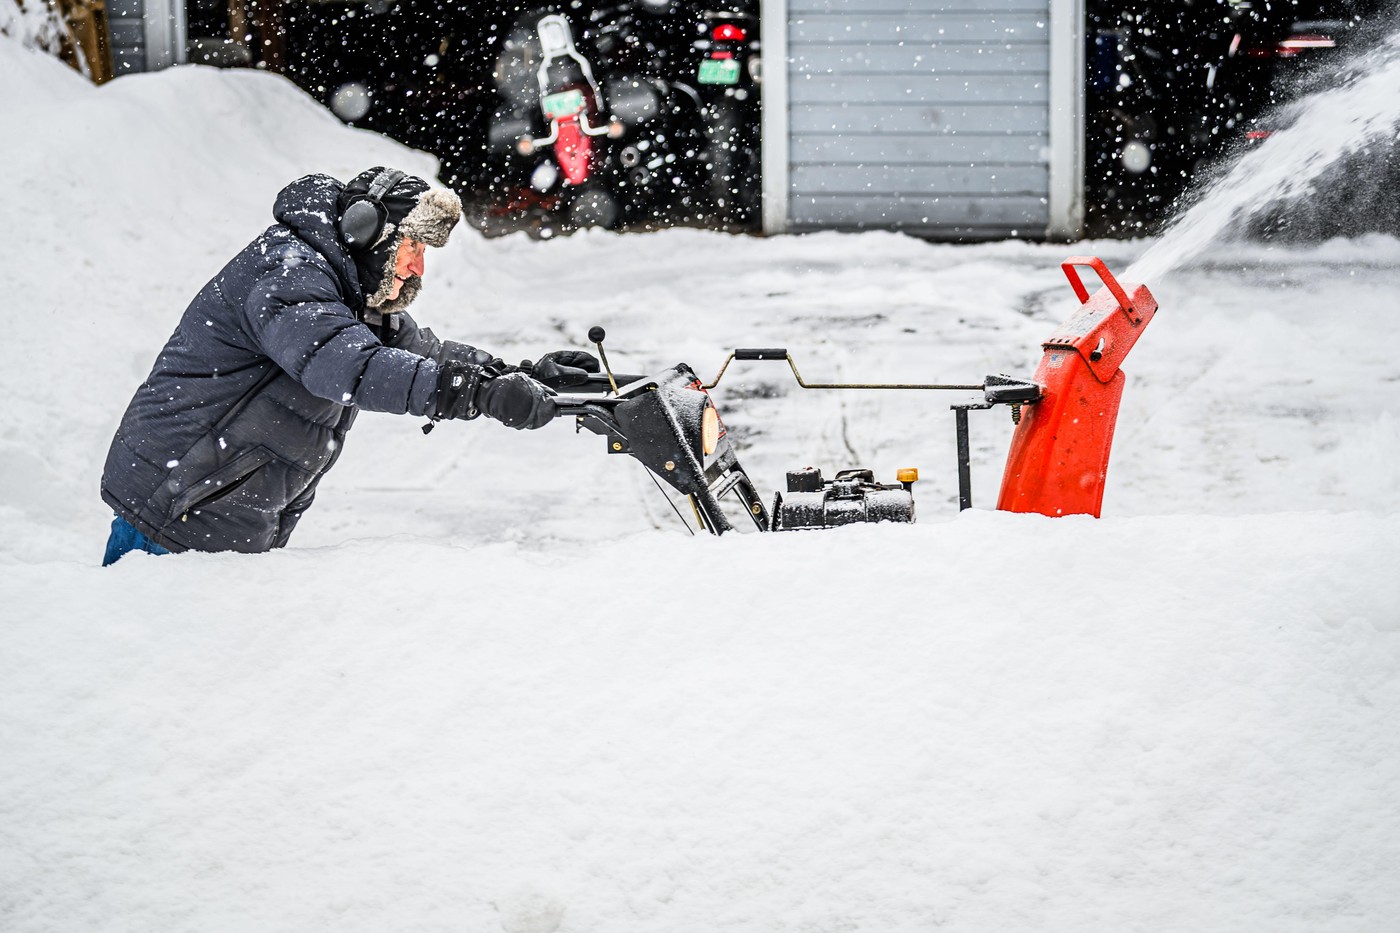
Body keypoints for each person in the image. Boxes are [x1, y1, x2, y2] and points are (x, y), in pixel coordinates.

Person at [100, 166, 598, 564]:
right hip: (174, 508)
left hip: (217, 506)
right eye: (412, 246)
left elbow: (422, 353)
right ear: (365, 231)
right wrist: (474, 393)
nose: (417, 266)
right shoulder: (288, 272)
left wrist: (516, 374)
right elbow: (349, 367)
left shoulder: (350, 293)